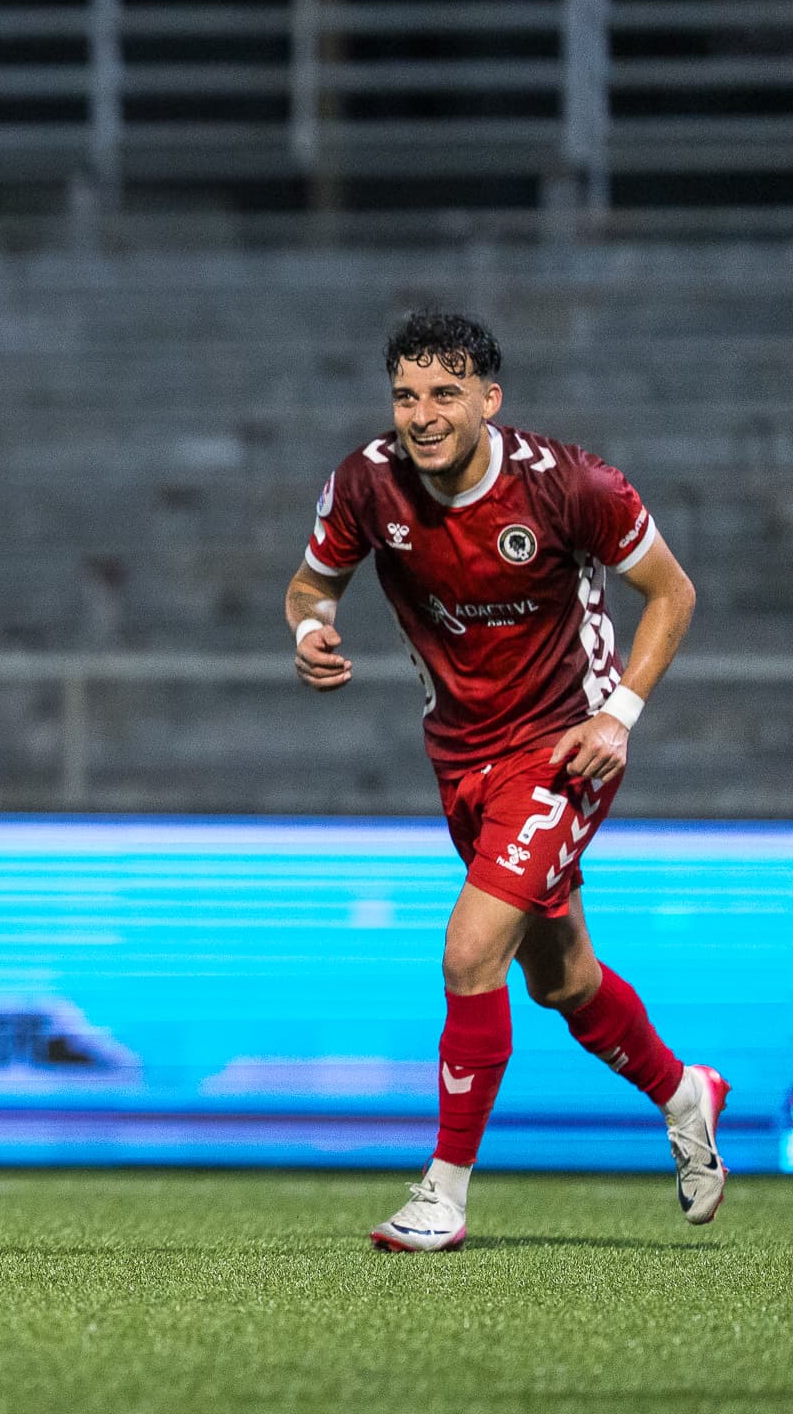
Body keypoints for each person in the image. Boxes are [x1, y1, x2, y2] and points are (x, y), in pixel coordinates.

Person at [287, 310, 727, 1251]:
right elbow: (310, 583)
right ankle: (687, 1093)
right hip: (462, 755)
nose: (423, 414)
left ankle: (441, 1193)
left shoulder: (573, 486)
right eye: (407, 395)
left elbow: (674, 592)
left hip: (567, 747)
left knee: (468, 951)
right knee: (562, 978)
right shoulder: (365, 483)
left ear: (490, 399)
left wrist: (620, 716)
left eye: (445, 394)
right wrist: (309, 629)